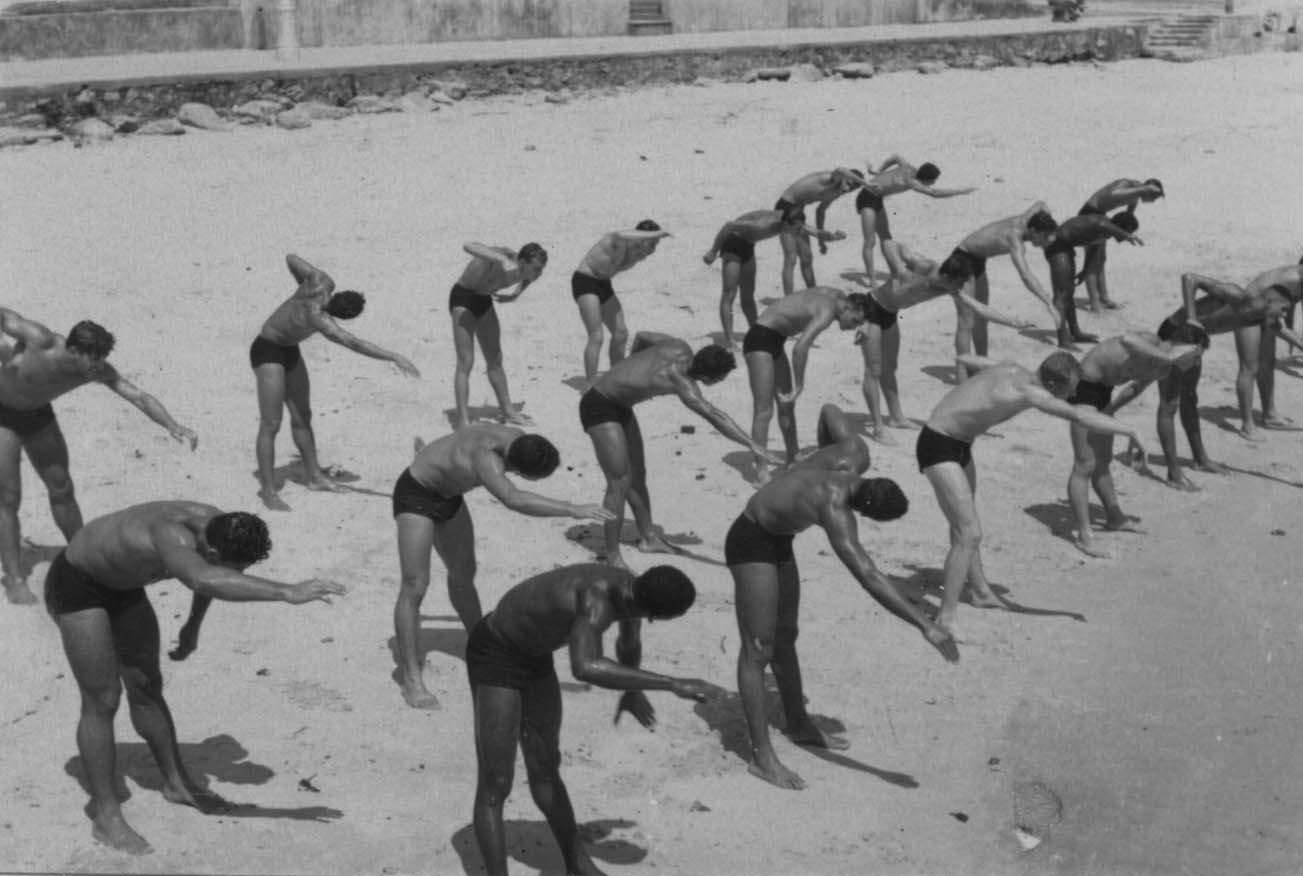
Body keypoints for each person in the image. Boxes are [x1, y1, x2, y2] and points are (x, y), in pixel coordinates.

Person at [42, 501, 345, 854]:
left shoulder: (219, 527)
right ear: (212, 552)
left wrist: (192, 626)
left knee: (146, 686)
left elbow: (210, 575)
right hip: (78, 585)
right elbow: (203, 578)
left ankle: (177, 784)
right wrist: (286, 591)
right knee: (103, 699)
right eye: (238, 569)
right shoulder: (171, 534)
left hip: (124, 587)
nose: (239, 574)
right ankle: (105, 815)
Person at [726, 406, 958, 790]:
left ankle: (798, 723)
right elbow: (868, 576)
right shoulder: (835, 509)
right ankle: (761, 758)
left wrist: (811, 454)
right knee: (757, 648)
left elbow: (829, 412)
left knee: (785, 636)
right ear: (863, 512)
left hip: (779, 539)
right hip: (750, 540)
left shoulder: (853, 455)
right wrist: (924, 624)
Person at [468, 562, 712, 876]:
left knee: (545, 768)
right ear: (656, 615)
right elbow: (585, 666)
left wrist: (632, 692)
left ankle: (577, 866)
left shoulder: (633, 591)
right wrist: (671, 683)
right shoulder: (597, 601)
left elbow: (628, 644)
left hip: (534, 657)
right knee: (496, 782)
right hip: (496, 652)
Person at [918, 352, 1147, 634]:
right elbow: (1080, 415)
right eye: (1071, 390)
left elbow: (971, 359)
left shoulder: (1013, 368)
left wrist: (962, 368)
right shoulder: (1029, 391)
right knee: (969, 533)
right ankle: (946, 618)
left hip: (959, 445)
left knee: (964, 524)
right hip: (938, 446)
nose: (1073, 395)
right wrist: (1131, 431)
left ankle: (980, 592)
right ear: (1053, 385)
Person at [393, 425, 611, 709]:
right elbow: (513, 499)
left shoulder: (519, 438)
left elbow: (460, 437)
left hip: (449, 496)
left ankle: (479, 642)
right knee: (415, 586)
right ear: (516, 470)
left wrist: (433, 455)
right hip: (416, 495)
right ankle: (410, 678)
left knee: (463, 575)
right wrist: (572, 509)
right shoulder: (486, 459)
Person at [0, 308, 197, 605]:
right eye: (94, 358)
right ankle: (14, 578)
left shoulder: (96, 370)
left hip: (38, 415)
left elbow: (138, 396)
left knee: (62, 488)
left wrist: (172, 424)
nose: (98, 366)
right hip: (3, 415)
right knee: (8, 498)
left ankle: (82, 555)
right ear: (74, 350)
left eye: (102, 358)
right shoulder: (40, 340)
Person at [580, 331, 780, 571]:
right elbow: (714, 415)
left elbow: (642, 337)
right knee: (619, 482)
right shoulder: (684, 385)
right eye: (719, 379)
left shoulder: (678, 345)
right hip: (598, 405)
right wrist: (752, 444)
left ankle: (649, 538)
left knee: (637, 476)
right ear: (707, 378)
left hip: (621, 406)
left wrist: (630, 367)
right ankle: (612, 557)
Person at [250, 254, 420, 511]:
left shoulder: (320, 281)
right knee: (271, 423)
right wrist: (393, 356)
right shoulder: (319, 317)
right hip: (267, 350)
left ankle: (315, 477)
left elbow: (291, 259)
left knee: (302, 416)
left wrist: (300, 288)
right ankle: (268, 490)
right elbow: (353, 343)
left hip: (289, 349)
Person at [855, 242, 1034, 444]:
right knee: (873, 370)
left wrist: (1012, 321)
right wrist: (898, 267)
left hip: (890, 314)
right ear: (948, 277)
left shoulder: (949, 288)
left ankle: (896, 418)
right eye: (957, 283)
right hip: (871, 308)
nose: (958, 288)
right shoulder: (926, 267)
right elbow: (890, 244)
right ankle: (878, 427)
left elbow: (979, 308)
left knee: (890, 368)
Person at [1155, 265, 1303, 488]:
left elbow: (1284, 331)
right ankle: (1173, 473)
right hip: (1174, 334)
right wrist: (1192, 318)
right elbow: (1190, 278)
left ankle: (1200, 459)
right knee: (1169, 405)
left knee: (1190, 398)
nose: (1283, 316)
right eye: (1283, 310)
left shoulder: (1261, 316)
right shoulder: (1239, 297)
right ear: (1269, 301)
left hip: (1195, 340)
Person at [1064, 329, 1206, 557]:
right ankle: (1084, 536)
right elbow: (1127, 339)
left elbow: (1134, 389)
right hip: (1082, 386)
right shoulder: (1149, 342)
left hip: (1104, 392)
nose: (1196, 362)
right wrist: (1168, 356)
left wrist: (1109, 412)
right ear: (1180, 346)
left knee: (1103, 461)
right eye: (1195, 355)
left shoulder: (1164, 369)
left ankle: (1115, 518)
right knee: (1084, 465)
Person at [742, 287, 869, 483]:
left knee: (786, 405)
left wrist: (865, 326)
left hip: (776, 339)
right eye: (855, 321)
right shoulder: (827, 312)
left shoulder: (837, 295)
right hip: (759, 339)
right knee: (764, 410)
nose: (853, 328)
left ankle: (793, 457)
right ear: (847, 308)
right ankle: (761, 471)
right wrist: (799, 385)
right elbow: (800, 348)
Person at [946, 203, 1064, 382]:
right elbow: (1026, 276)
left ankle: (980, 367)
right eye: (1044, 238)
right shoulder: (1014, 240)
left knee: (982, 319)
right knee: (966, 322)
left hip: (978, 260)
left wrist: (1048, 218)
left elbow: (1042, 204)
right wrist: (1049, 304)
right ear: (1033, 231)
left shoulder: (1030, 217)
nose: (1044, 243)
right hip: (961, 259)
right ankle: (962, 378)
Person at [702, 208, 847, 349]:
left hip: (748, 245)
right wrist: (713, 251)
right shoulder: (763, 224)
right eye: (796, 230)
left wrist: (834, 237)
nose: (798, 232)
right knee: (729, 293)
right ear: (785, 225)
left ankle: (755, 332)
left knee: (748, 295)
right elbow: (729, 226)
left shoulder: (791, 220)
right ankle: (730, 339)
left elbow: (816, 232)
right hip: (733, 243)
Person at [449, 241, 548, 429]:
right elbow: (468, 245)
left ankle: (508, 412)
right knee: (466, 361)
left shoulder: (525, 271)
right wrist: (500, 259)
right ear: (522, 262)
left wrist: (516, 294)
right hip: (463, 297)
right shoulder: (500, 258)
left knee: (495, 359)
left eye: (541, 269)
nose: (539, 274)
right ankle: (463, 421)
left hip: (484, 300)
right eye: (536, 269)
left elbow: (527, 278)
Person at [571, 221, 672, 384]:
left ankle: (617, 376)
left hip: (603, 285)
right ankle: (590, 384)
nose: (653, 249)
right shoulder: (619, 242)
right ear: (640, 238)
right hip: (585, 281)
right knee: (596, 336)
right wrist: (657, 233)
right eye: (652, 243)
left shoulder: (638, 253)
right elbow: (617, 234)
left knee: (621, 333)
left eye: (656, 244)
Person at [855, 155, 976, 281]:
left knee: (886, 238)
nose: (933, 183)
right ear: (927, 179)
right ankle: (872, 280)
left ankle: (894, 273)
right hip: (866, 197)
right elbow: (934, 193)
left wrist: (880, 170)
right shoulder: (912, 182)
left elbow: (896, 157)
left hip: (877, 199)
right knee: (870, 241)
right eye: (933, 181)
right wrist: (959, 191)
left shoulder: (908, 167)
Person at [1043, 212, 1144, 348]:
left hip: (1066, 248)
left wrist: (1085, 271)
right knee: (1061, 296)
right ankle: (1063, 339)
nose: (1125, 237)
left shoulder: (1105, 232)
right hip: (1057, 246)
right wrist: (1127, 236)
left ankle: (1075, 333)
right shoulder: (1102, 223)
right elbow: (1101, 224)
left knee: (1069, 294)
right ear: (1119, 226)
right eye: (1128, 231)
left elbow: (1092, 249)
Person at [772, 168, 866, 295]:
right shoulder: (829, 179)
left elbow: (820, 211)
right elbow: (841, 170)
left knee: (807, 257)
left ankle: (813, 294)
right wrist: (866, 183)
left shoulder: (837, 192)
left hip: (798, 213)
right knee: (791, 258)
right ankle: (787, 299)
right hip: (785, 207)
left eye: (852, 189)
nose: (848, 189)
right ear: (844, 179)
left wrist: (821, 241)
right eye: (849, 184)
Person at [1076, 178, 1165, 311]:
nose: (1154, 200)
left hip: (1100, 216)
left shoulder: (1135, 196)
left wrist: (1123, 231)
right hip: (1088, 214)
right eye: (1154, 197)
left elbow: (1128, 216)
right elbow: (1112, 194)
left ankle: (1104, 298)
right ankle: (1094, 302)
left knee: (1101, 259)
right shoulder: (1127, 185)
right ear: (1148, 190)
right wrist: (1143, 189)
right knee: (1092, 262)